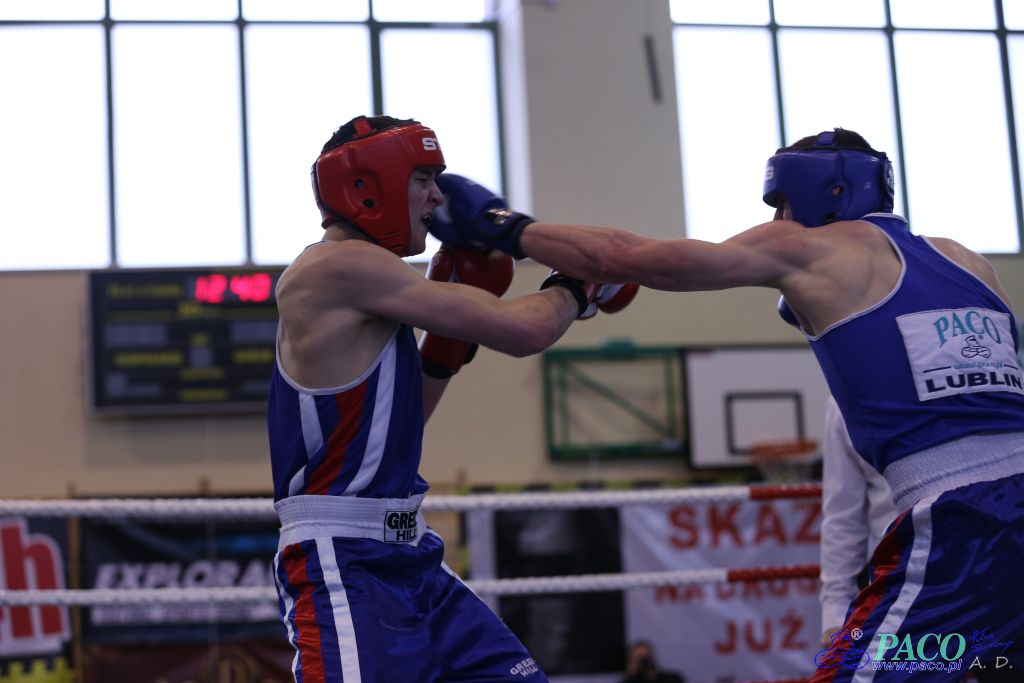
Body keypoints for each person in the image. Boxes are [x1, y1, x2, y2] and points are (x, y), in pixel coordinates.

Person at [432, 128, 1024, 681]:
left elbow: (623, 255)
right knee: (981, 665)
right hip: (1002, 510)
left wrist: (504, 226)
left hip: (964, 527)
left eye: (783, 203)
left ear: (830, 193)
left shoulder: (810, 248)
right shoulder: (965, 260)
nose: (778, 219)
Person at [266, 115, 637, 683]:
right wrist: (575, 285)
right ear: (368, 186)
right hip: (345, 562)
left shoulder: (376, 288)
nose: (438, 197)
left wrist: (442, 349)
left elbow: (403, 424)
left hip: (408, 551)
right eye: (423, 179)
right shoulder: (338, 266)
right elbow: (525, 331)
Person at [818, 396, 896, 645]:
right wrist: (835, 611)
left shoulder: (988, 381)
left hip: (984, 574)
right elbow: (842, 514)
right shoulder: (845, 396)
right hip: (892, 587)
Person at [620, 640, 686, 683]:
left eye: (645, 657)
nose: (643, 662)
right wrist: (630, 674)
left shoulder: (673, 679)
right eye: (638, 659)